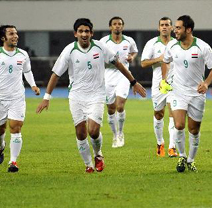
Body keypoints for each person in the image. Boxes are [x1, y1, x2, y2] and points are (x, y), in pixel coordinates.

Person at [36, 18, 146, 173]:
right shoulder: (69, 50)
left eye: (87, 31)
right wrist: (46, 98)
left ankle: (98, 154)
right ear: (75, 34)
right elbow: (55, 74)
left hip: (96, 95)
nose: (84, 34)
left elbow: (118, 63)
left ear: (92, 33)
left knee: (93, 131)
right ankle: (88, 164)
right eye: (80, 31)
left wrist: (134, 82)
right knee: (81, 133)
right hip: (76, 96)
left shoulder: (101, 47)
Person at [161, 15, 212, 172]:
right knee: (178, 125)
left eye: (178, 28)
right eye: (175, 28)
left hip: (196, 94)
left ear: (188, 30)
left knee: (194, 130)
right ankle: (182, 156)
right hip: (177, 91)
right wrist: (164, 80)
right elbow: (165, 61)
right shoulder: (172, 46)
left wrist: (206, 83)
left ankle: (191, 160)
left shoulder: (202, 47)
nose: (175, 31)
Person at [0, 23, 40, 173]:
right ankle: (1, 147)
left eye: (16, 33)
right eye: (11, 34)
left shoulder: (23, 54)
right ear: (3, 37)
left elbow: (27, 71)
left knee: (16, 127)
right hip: (0, 98)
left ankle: (13, 162)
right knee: (0, 130)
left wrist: (32, 85)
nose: (15, 36)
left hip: (17, 97)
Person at [140, 17, 178, 157]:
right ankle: (160, 143)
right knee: (158, 114)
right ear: (158, 28)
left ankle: (172, 147)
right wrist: (159, 58)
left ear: (172, 28)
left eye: (167, 25)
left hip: (174, 84)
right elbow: (143, 63)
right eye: (162, 25)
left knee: (173, 114)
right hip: (158, 85)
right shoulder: (152, 43)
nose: (164, 27)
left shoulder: (176, 43)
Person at [100, 16, 138, 148]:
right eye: (114, 24)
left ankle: (121, 133)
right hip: (108, 75)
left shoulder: (129, 40)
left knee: (120, 106)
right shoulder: (103, 42)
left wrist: (131, 57)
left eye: (119, 24)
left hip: (124, 75)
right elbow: (97, 57)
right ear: (110, 27)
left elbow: (134, 51)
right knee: (110, 109)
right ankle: (115, 135)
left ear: (123, 26)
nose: (117, 26)